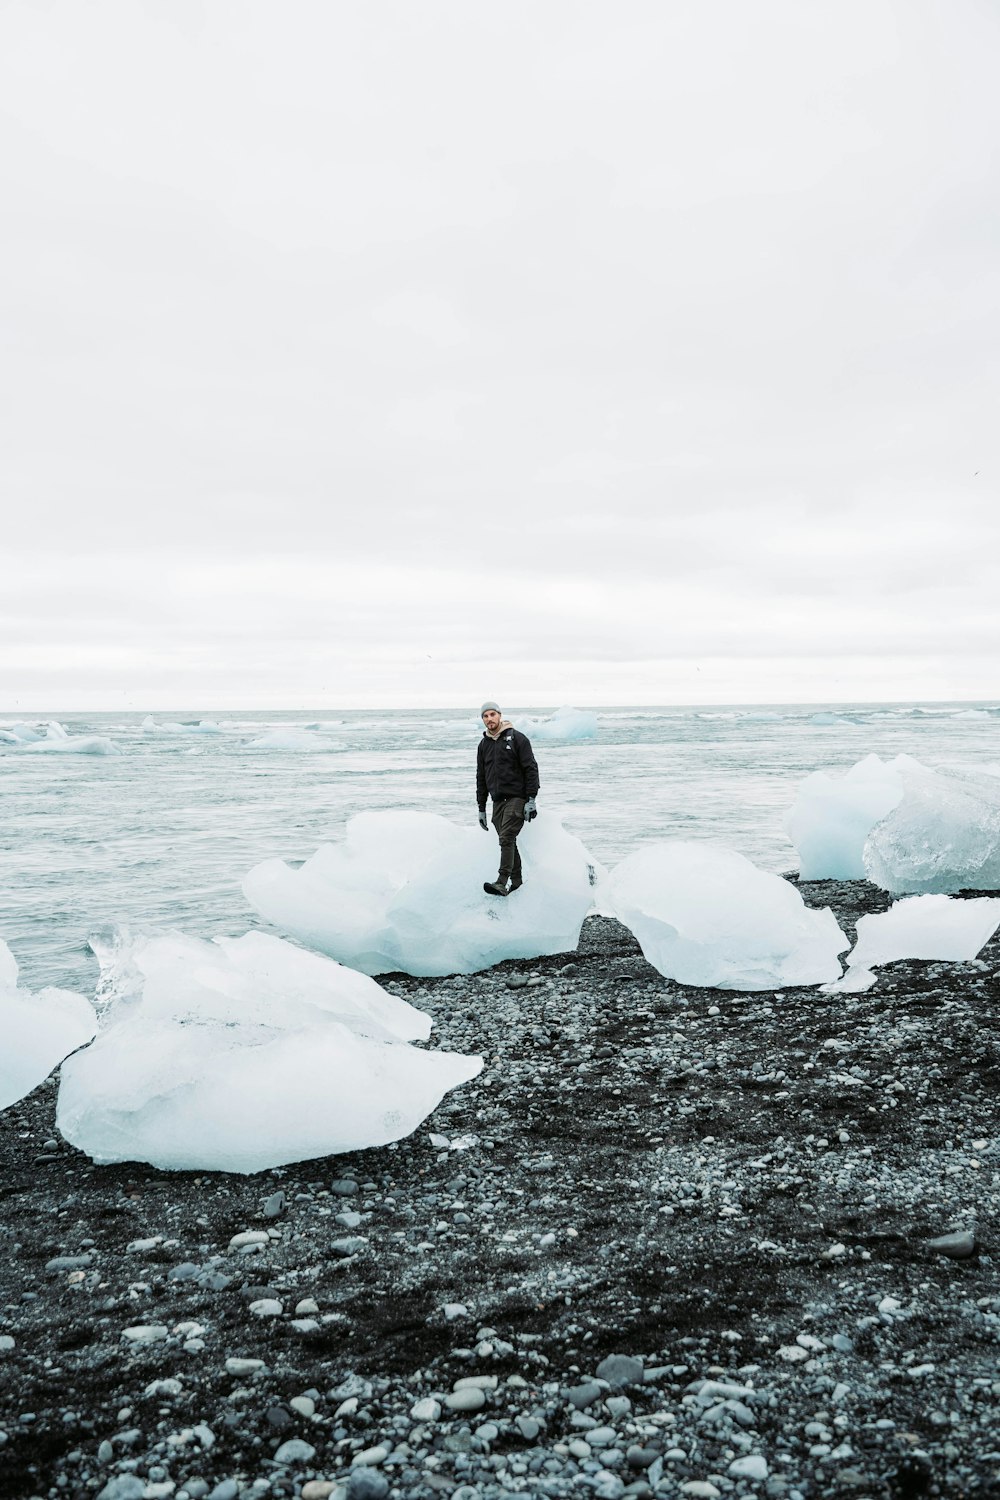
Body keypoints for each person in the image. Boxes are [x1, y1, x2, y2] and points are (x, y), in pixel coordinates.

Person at [476, 702, 539, 896]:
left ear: (500, 715)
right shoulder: (484, 744)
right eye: (485, 716)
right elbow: (481, 777)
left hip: (517, 798)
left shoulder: (517, 739)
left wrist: (531, 799)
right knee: (508, 842)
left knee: (506, 838)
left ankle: (502, 881)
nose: (489, 719)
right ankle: (517, 882)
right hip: (497, 802)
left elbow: (531, 768)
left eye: (492, 714)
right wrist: (481, 808)